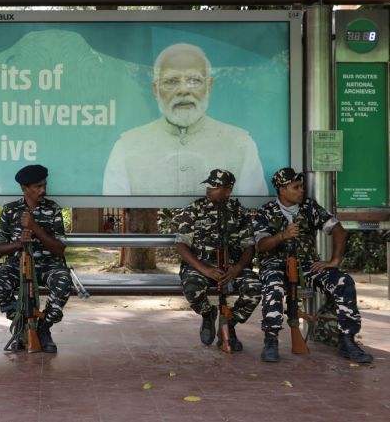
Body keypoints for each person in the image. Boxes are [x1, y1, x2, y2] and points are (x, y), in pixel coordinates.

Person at [103, 43, 268, 196]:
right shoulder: (126, 147)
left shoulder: (241, 144)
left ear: (209, 86)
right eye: (171, 81)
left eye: (194, 80)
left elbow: (254, 213)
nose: (183, 90)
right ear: (155, 90)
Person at [255, 167, 372, 363]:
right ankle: (271, 339)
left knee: (343, 281)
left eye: (301, 186)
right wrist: (282, 235)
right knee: (273, 286)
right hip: (275, 265)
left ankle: (347, 340)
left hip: (307, 265)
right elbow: (261, 245)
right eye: (296, 187)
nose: (301, 191)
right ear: (282, 190)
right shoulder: (265, 212)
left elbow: (338, 230)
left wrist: (334, 261)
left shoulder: (309, 207)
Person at [172, 169, 262, 350]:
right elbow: (181, 245)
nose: (209, 189)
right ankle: (208, 314)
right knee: (192, 287)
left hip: (232, 268)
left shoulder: (239, 213)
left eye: (215, 186)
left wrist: (237, 269)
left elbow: (249, 248)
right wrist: (204, 269)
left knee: (254, 288)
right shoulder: (194, 210)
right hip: (200, 266)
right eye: (208, 185)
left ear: (228, 190)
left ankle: (228, 323)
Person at [0, 164, 72, 353]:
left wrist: (35, 228)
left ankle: (42, 329)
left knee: (64, 281)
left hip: (49, 264)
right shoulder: (10, 210)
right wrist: (17, 244)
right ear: (24, 188)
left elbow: (60, 249)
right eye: (37, 187)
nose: (43, 190)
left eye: (44, 185)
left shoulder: (53, 209)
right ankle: (22, 325)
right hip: (17, 264)